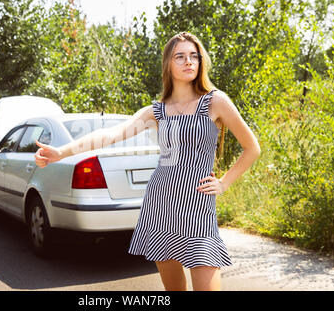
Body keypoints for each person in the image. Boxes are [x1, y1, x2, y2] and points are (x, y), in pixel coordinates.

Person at [34, 32, 261, 291]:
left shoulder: (215, 101)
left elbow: (251, 148)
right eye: (180, 56)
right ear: (168, 64)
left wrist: (223, 183)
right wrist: (61, 153)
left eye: (194, 56)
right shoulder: (157, 110)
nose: (189, 62)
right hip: (160, 201)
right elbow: (110, 135)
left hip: (198, 202)